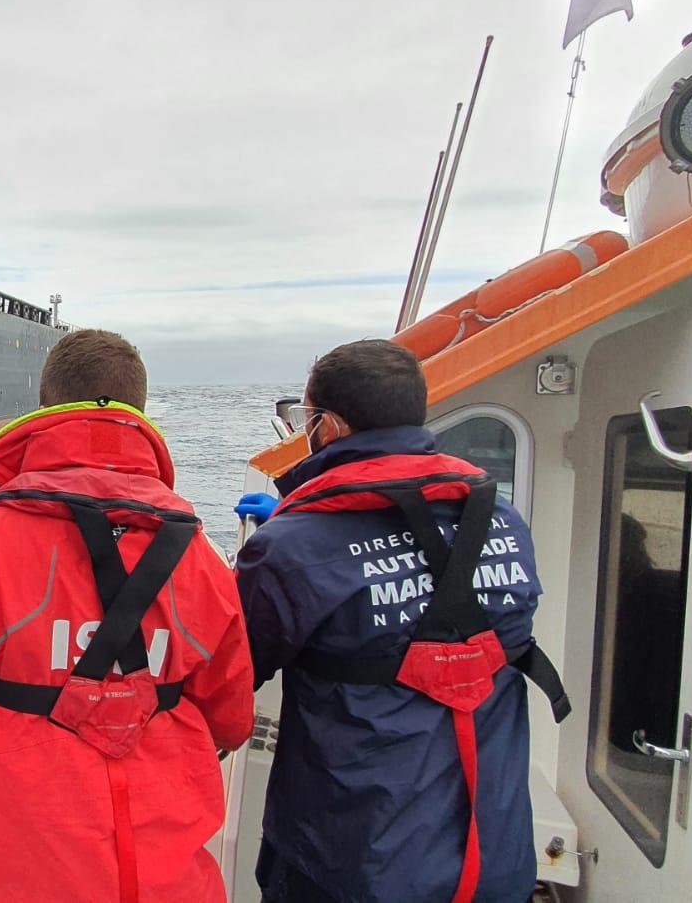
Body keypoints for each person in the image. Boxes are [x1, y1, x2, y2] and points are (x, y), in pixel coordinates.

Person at [0, 329, 255, 902]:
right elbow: (231, 719)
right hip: (171, 877)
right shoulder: (201, 555)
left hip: (14, 872)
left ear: (45, 405)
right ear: (141, 412)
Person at [234, 339, 567, 903]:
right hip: (492, 859)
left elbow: (229, 677)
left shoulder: (292, 547)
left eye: (305, 419)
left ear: (330, 426)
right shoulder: (502, 520)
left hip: (348, 867)